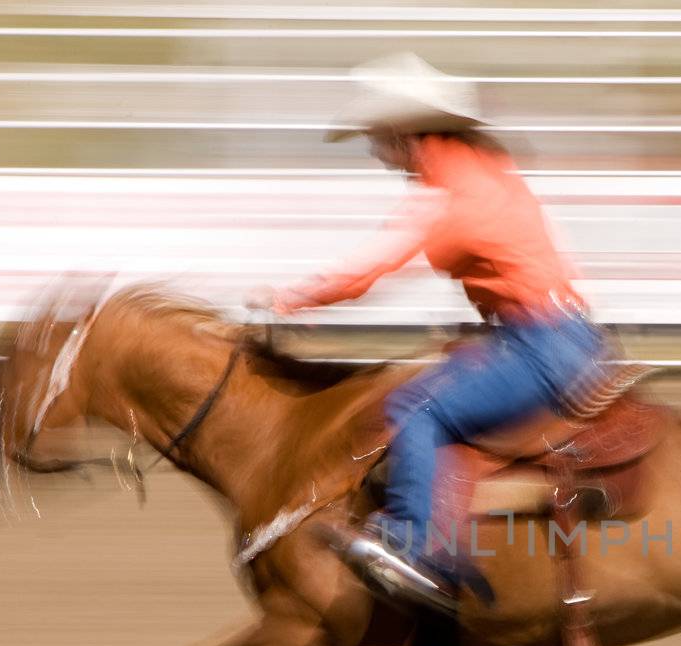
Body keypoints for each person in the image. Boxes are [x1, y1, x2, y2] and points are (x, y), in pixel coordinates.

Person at [251, 54, 605, 615]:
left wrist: (291, 296)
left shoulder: (447, 197)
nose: (373, 151)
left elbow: (368, 269)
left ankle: (425, 552)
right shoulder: (482, 168)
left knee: (417, 406)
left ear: (404, 135)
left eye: (376, 138)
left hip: (542, 344)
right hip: (555, 334)